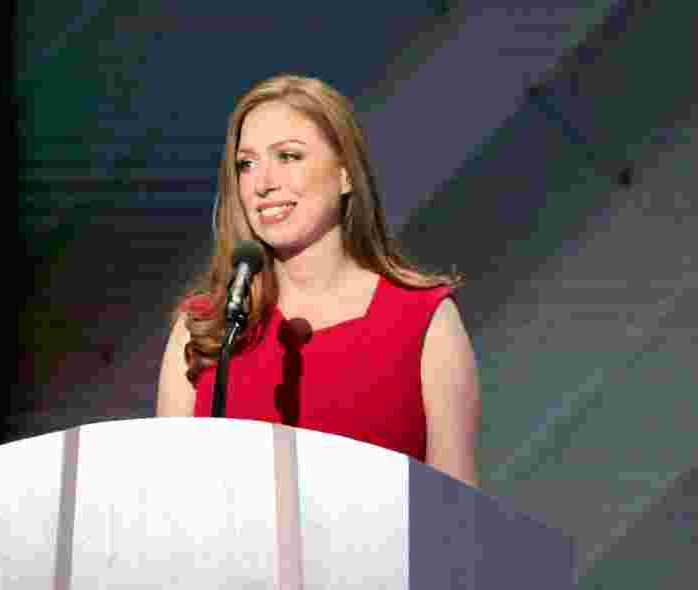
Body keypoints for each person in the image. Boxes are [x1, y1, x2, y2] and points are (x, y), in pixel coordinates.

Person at [156, 74, 479, 487]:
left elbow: (459, 522)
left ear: (346, 174)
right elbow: (168, 509)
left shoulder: (424, 324)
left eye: (288, 157)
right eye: (246, 164)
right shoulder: (204, 330)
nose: (262, 183)